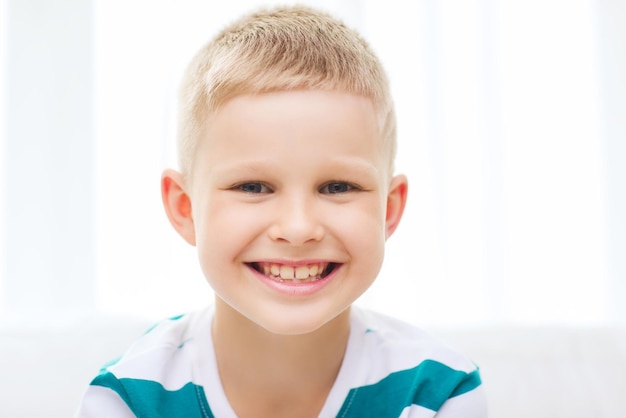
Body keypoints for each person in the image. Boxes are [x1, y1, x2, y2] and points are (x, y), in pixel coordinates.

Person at [75, 5, 487, 417]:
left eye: (338, 187)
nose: (298, 227)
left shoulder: (440, 391)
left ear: (388, 209)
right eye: (253, 187)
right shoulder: (126, 399)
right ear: (185, 208)